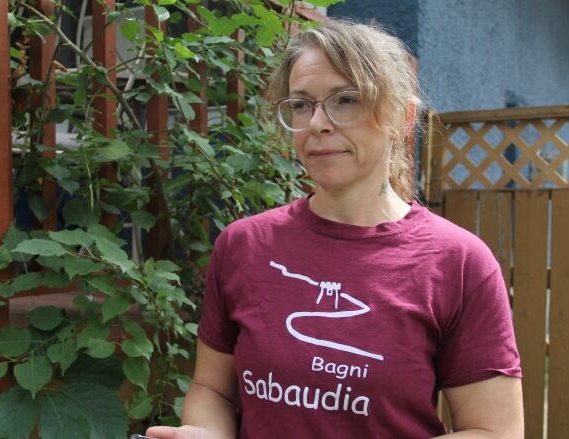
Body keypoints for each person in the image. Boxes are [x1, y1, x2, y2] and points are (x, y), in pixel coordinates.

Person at [147, 19, 523, 439]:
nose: (317, 124)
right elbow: (212, 388)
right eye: (301, 104)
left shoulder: (458, 263)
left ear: (402, 117)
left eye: (346, 100)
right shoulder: (245, 245)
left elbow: (493, 431)